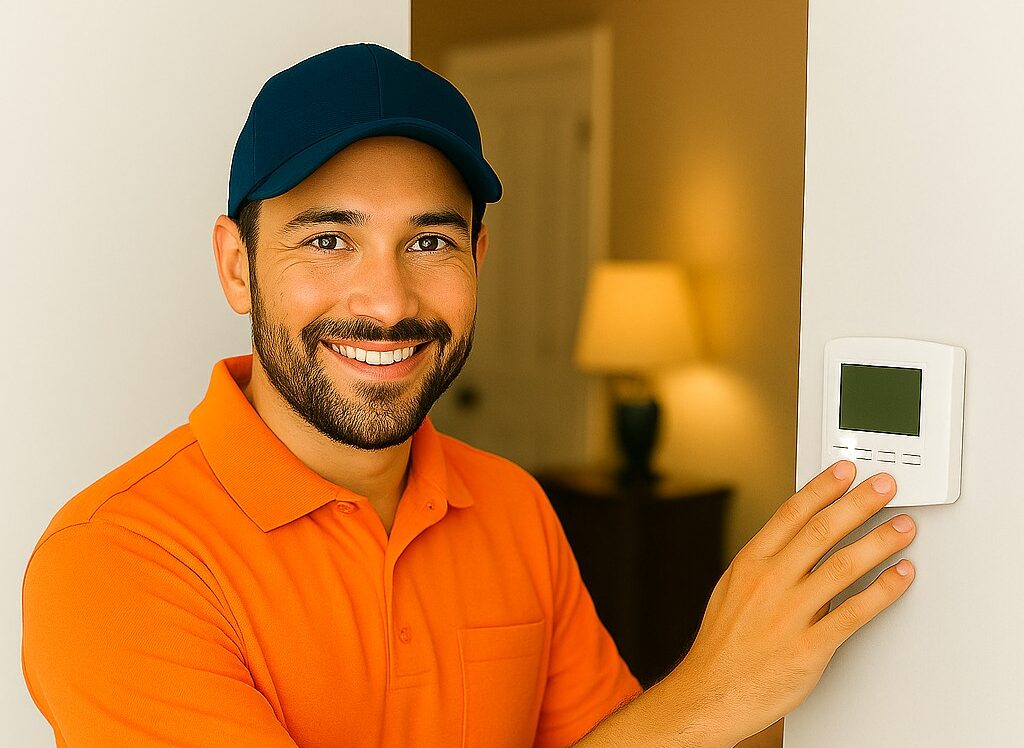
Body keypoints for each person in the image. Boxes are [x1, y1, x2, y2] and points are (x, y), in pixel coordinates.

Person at [20, 42, 917, 748]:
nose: (388, 302)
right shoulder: (115, 562)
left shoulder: (513, 509)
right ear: (236, 265)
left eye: (431, 242)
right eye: (329, 241)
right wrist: (709, 697)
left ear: (477, 262)